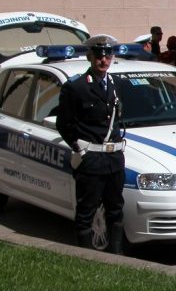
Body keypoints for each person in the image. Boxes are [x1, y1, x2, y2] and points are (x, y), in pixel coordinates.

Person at [56, 35, 127, 254]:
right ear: (90, 57)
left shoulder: (115, 85)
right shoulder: (76, 88)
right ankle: (85, 259)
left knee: (115, 210)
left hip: (113, 160)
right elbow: (64, 124)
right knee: (86, 212)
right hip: (91, 160)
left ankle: (117, 257)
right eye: (98, 56)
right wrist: (80, 149)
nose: (103, 60)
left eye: (107, 56)